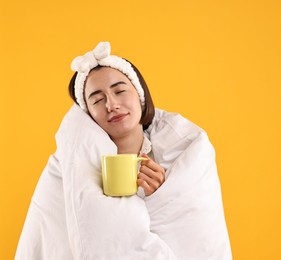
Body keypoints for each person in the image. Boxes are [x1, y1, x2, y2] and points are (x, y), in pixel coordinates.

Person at [16, 42, 232, 259]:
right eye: (98, 100)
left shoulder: (177, 155)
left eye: (120, 91)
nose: (112, 104)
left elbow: (194, 232)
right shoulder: (70, 168)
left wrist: (160, 196)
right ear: (88, 115)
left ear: (140, 95)